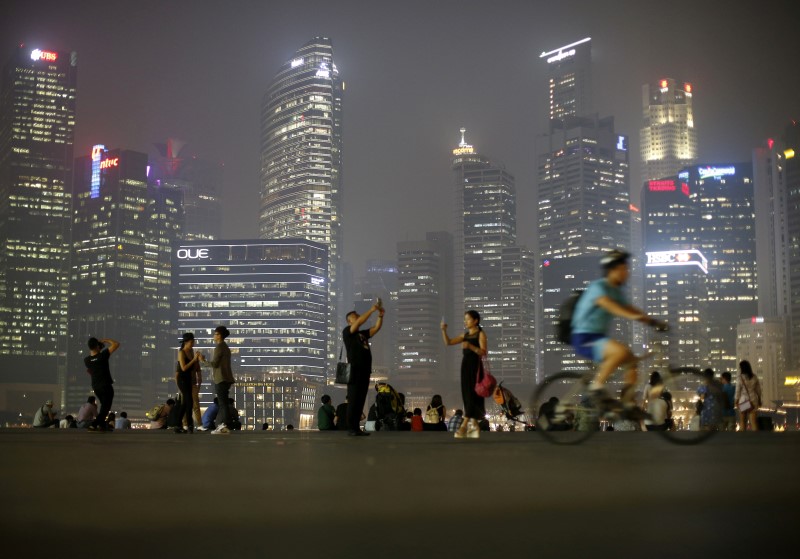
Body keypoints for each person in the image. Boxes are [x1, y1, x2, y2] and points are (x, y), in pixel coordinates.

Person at [570, 250, 667, 409]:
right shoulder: (598, 287)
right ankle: (596, 388)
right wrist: (633, 317)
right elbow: (609, 305)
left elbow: (631, 309)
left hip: (598, 338)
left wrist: (653, 321)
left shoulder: (616, 292)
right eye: (623, 269)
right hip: (583, 337)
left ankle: (627, 403)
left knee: (632, 362)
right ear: (612, 270)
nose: (627, 273)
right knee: (620, 352)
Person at [441, 309, 487, 439]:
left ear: (475, 321)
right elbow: (448, 342)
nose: (465, 321)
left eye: (468, 319)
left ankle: (463, 427)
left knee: (472, 395)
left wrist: (471, 347)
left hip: (476, 368)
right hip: (465, 367)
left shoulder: (481, 334)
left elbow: (483, 352)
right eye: (465, 319)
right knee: (467, 394)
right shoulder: (465, 335)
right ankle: (475, 427)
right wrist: (443, 330)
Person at [342, 303, 385, 437]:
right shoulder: (347, 332)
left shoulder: (362, 334)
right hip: (355, 370)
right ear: (350, 321)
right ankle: (351, 428)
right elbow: (361, 321)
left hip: (365, 371)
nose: (359, 318)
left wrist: (380, 316)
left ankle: (357, 428)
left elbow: (376, 328)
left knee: (360, 399)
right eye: (356, 317)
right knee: (354, 399)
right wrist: (371, 310)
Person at [201, 325, 235, 435]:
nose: (213, 336)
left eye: (215, 334)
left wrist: (203, 360)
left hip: (221, 378)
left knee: (222, 403)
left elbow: (215, 364)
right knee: (223, 403)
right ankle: (224, 424)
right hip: (226, 378)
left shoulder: (219, 347)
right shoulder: (225, 347)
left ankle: (224, 425)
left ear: (219, 336)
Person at [84, 336, 120, 431]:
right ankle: (94, 424)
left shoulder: (87, 360)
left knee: (104, 406)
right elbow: (116, 344)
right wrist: (106, 340)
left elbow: (91, 368)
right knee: (105, 407)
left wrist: (97, 346)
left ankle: (102, 425)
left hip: (96, 387)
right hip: (106, 386)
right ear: (97, 346)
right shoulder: (102, 356)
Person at [175, 332, 203, 434]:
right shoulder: (181, 352)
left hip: (189, 379)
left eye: (193, 341)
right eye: (191, 342)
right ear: (186, 342)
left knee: (186, 403)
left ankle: (178, 425)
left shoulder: (191, 351)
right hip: (182, 379)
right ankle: (190, 425)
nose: (193, 343)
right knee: (189, 402)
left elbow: (194, 367)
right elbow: (184, 368)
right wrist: (194, 360)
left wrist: (198, 360)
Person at [735, 360, 762, 431]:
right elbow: (758, 390)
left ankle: (742, 439)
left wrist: (736, 401)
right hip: (753, 400)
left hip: (743, 400)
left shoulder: (740, 378)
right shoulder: (754, 377)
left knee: (742, 421)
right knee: (753, 422)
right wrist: (759, 400)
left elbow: (737, 391)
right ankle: (755, 439)